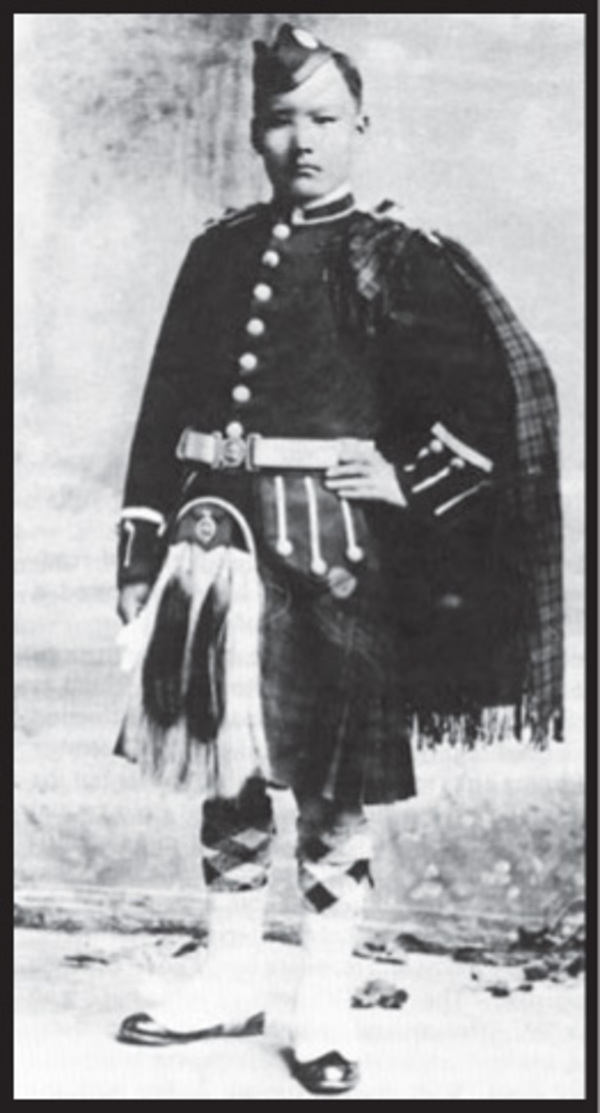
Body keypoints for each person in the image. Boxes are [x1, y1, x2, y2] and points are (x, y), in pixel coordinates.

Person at [114, 24, 563, 1095]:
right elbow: (163, 406)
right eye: (282, 120)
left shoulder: (398, 257)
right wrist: (138, 545)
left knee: (329, 785)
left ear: (362, 127)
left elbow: (503, 398)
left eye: (324, 119)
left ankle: (322, 1004)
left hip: (333, 560)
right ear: (255, 133)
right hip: (214, 545)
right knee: (225, 771)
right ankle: (230, 980)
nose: (303, 141)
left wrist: (409, 478)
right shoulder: (217, 253)